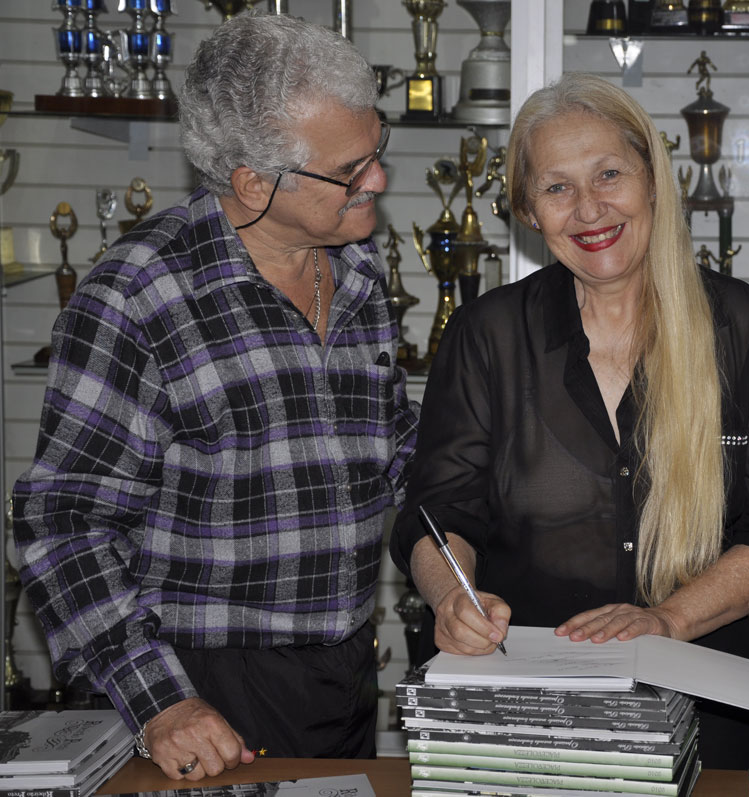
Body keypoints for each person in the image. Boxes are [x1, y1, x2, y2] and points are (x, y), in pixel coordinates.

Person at [12, 13, 419, 781]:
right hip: (204, 684)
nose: (378, 180)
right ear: (253, 183)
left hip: (344, 669)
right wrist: (159, 701)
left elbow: (391, 444)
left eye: (377, 150)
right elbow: (63, 524)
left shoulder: (356, 274)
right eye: (350, 168)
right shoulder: (138, 296)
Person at [391, 72, 749, 770]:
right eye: (557, 187)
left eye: (609, 174)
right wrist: (452, 598)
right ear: (529, 210)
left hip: (701, 718)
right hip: (526, 718)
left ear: (653, 177)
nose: (589, 209)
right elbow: (440, 510)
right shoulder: (486, 336)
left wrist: (668, 620)